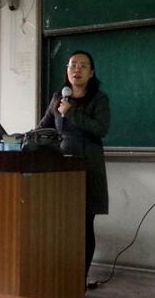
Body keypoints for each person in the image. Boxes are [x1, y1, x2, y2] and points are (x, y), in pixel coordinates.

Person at [37, 50, 110, 283]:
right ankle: (62, 279)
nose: (76, 69)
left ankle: (80, 282)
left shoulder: (99, 99)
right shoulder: (58, 97)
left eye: (82, 66)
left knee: (85, 224)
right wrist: (21, 138)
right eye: (72, 65)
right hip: (61, 167)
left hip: (88, 167)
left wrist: (72, 112)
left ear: (91, 73)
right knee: (62, 224)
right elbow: (44, 126)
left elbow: (100, 129)